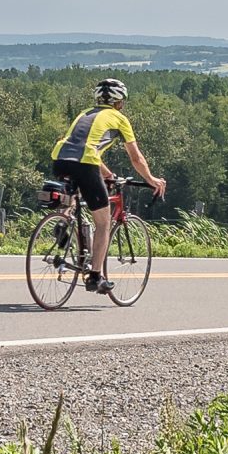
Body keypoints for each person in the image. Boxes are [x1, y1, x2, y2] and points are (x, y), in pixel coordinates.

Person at [47, 78, 165, 294]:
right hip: (85, 163)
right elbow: (136, 158)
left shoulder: (84, 113)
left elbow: (83, 146)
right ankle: (95, 277)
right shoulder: (119, 118)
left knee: (75, 194)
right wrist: (151, 179)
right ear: (119, 102)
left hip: (60, 158)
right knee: (103, 223)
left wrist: (108, 174)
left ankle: (63, 222)